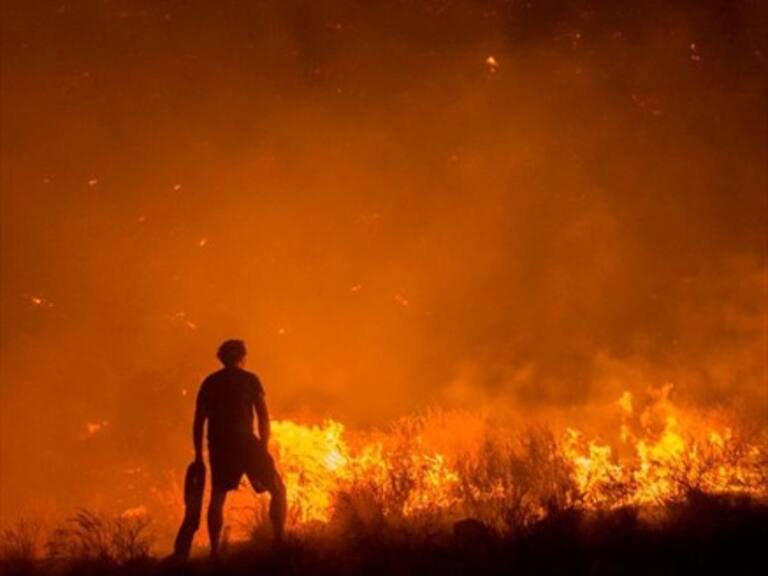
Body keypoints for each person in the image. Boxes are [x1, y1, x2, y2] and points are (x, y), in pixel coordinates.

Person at [192, 339, 286, 557]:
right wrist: (263, 446)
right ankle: (280, 541)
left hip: (220, 445)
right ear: (243, 356)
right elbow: (263, 415)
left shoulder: (210, 382)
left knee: (217, 497)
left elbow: (198, 421)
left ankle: (215, 551)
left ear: (222, 358)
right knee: (278, 490)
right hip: (246, 443)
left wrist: (199, 455)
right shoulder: (250, 380)